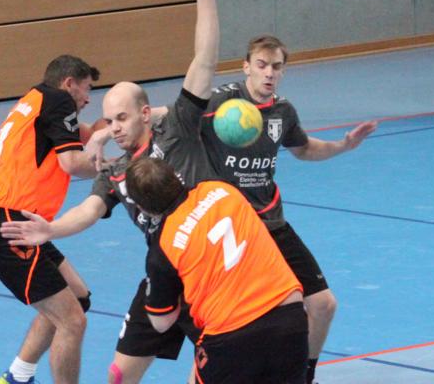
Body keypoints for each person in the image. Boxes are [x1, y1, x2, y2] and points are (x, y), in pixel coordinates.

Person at [1, 0, 222, 384]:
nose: (115, 127)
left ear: (145, 113)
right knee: (119, 375)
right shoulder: (116, 171)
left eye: (122, 118)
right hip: (163, 273)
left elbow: (204, 60)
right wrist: (50, 230)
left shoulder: (179, 127)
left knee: (217, 370)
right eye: (109, 120)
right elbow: (88, 211)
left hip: (207, 269)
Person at [199, 35, 376, 384]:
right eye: (262, 65)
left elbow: (304, 148)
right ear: (246, 67)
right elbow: (172, 116)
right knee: (243, 320)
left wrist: (344, 145)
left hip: (271, 221)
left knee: (323, 305)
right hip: (232, 229)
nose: (269, 73)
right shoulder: (220, 102)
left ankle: (304, 376)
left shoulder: (283, 111)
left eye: (276, 67)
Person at [127, 156, 309, 384]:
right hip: (289, 317)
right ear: (175, 176)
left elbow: (161, 323)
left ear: (141, 207)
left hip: (231, 337)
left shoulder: (163, 248)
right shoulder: (222, 189)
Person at [0, 53, 103, 384]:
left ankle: (18, 376)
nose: (88, 98)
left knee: (77, 297)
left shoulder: (36, 101)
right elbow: (72, 163)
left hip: (24, 223)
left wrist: (117, 126)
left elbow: (89, 133)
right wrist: (116, 170)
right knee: (72, 321)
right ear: (69, 84)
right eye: (87, 89)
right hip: (12, 228)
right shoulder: (59, 101)